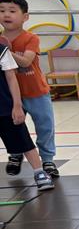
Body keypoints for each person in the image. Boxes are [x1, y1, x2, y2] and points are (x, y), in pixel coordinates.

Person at [0, 0, 59, 178]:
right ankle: (15, 154)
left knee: (45, 126)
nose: (6, 14)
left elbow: (26, 61)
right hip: (10, 94)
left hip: (35, 92)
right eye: (1, 11)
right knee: (13, 126)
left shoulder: (31, 38)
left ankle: (47, 159)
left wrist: (5, 51)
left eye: (12, 11)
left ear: (25, 17)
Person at [0, 44, 53, 191]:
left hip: (4, 107)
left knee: (23, 141)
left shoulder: (2, 50)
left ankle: (39, 172)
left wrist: (17, 105)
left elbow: (11, 78)